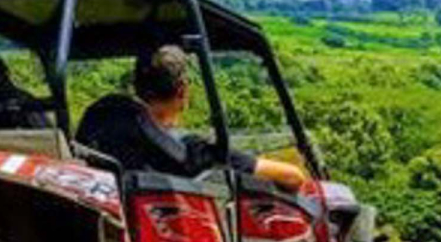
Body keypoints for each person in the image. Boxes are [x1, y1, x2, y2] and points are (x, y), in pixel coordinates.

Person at [77, 43, 307, 190]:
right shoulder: (191, 152)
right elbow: (293, 177)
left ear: (136, 86)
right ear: (183, 91)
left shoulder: (102, 123)